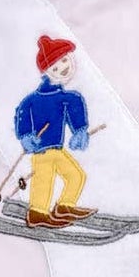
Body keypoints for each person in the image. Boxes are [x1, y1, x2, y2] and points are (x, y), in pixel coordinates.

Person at [13, 34, 101, 229]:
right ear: (46, 72)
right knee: (43, 180)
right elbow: (22, 114)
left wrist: (80, 130)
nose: (62, 68)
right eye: (55, 67)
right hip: (41, 151)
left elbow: (75, 104)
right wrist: (25, 136)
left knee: (76, 175)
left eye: (64, 60)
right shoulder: (33, 99)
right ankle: (37, 213)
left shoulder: (65, 97)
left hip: (57, 150)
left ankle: (64, 207)